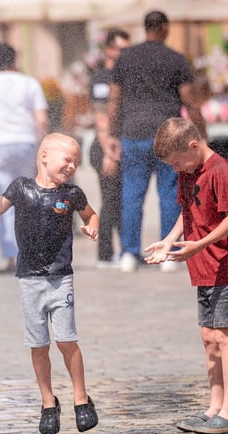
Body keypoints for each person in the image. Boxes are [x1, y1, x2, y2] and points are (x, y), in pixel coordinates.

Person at [0, 133, 99, 434]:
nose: (71, 166)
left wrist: (91, 227)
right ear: (43, 157)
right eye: (66, 159)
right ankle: (47, 402)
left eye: (76, 162)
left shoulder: (72, 194)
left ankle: (81, 399)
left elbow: (91, 214)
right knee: (38, 345)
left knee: (67, 340)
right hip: (29, 279)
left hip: (61, 278)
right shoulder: (20, 188)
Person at [144, 118, 228, 434]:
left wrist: (199, 245)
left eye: (178, 163)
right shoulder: (188, 172)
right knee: (208, 338)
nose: (177, 170)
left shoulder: (219, 171)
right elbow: (187, 211)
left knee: (224, 336)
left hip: (225, 265)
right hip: (202, 266)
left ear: (193, 146)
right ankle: (214, 406)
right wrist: (168, 240)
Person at [108, 10, 206, 273]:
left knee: (132, 195)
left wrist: (111, 135)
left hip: (133, 134)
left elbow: (114, 100)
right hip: (168, 136)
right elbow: (190, 101)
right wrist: (201, 134)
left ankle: (129, 254)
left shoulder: (125, 58)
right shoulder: (175, 59)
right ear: (164, 28)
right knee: (170, 194)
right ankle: (169, 252)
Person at [0, 42, 48, 275]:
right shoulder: (29, 83)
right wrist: (46, 147)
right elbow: (41, 119)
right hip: (25, 142)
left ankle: (12, 257)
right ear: (15, 59)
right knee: (28, 198)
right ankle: (31, 252)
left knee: (3, 201)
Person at [88, 29, 130, 269]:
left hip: (121, 146)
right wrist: (108, 153)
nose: (126, 54)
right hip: (104, 148)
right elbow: (101, 118)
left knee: (122, 201)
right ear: (109, 50)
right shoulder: (102, 78)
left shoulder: (127, 75)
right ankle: (105, 254)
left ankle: (126, 251)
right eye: (121, 49)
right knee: (110, 200)